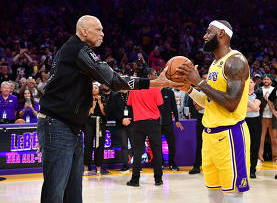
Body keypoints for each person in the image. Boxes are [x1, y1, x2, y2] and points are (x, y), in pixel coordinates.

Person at [37, 15, 181, 203]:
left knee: (73, 192)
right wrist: (153, 82)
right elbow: (113, 80)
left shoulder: (75, 50)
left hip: (68, 126)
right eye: (98, 29)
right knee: (55, 192)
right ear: (83, 31)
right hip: (57, 125)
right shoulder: (79, 49)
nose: (102, 34)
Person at [177, 20, 250, 203]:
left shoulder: (236, 61)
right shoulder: (215, 64)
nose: (204, 36)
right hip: (209, 136)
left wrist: (199, 82)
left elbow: (231, 103)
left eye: (209, 32)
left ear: (222, 34)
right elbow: (210, 102)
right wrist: (189, 89)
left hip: (230, 135)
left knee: (232, 194)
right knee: (213, 193)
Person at [126, 68, 164, 187]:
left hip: (139, 123)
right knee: (157, 151)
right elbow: (161, 106)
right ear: (148, 76)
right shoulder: (154, 88)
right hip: (153, 123)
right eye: (154, 74)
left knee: (137, 152)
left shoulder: (134, 89)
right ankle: (158, 179)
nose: (156, 76)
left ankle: (135, 180)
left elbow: (129, 106)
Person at [83, 82, 108, 176]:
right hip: (89, 123)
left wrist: (100, 103)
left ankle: (98, 168)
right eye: (92, 88)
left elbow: (105, 114)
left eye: (96, 88)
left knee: (99, 145)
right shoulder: (87, 99)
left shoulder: (104, 98)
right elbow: (86, 114)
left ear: (99, 90)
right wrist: (92, 106)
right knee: (88, 144)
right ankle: (86, 167)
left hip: (100, 123)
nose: (94, 90)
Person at [160, 87, 184, 171]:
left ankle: (172, 164)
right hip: (156, 123)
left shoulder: (169, 92)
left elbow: (174, 106)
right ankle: (161, 163)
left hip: (168, 123)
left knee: (172, 144)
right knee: (157, 145)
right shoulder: (153, 91)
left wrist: (177, 120)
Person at [111, 89, 134, 172]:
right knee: (123, 145)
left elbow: (136, 108)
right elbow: (113, 110)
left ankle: (137, 165)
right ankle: (126, 165)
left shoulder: (132, 94)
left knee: (134, 145)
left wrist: (130, 119)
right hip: (121, 124)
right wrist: (122, 119)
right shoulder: (115, 96)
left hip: (132, 123)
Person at [258, 74, 277, 163]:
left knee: (274, 138)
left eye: (268, 79)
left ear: (271, 81)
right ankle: (259, 157)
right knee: (260, 138)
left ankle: (276, 157)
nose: (266, 80)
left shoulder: (275, 90)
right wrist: (264, 100)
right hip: (262, 117)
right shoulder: (259, 90)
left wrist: (269, 101)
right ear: (262, 81)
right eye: (265, 79)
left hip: (272, 118)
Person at [246, 78, 262, 179]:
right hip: (244, 121)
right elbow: (255, 107)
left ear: (254, 84)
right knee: (244, 146)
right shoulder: (240, 94)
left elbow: (257, 108)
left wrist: (246, 100)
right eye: (247, 82)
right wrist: (254, 107)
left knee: (255, 147)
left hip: (256, 122)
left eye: (251, 82)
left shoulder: (258, 93)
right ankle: (244, 169)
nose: (249, 84)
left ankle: (253, 170)